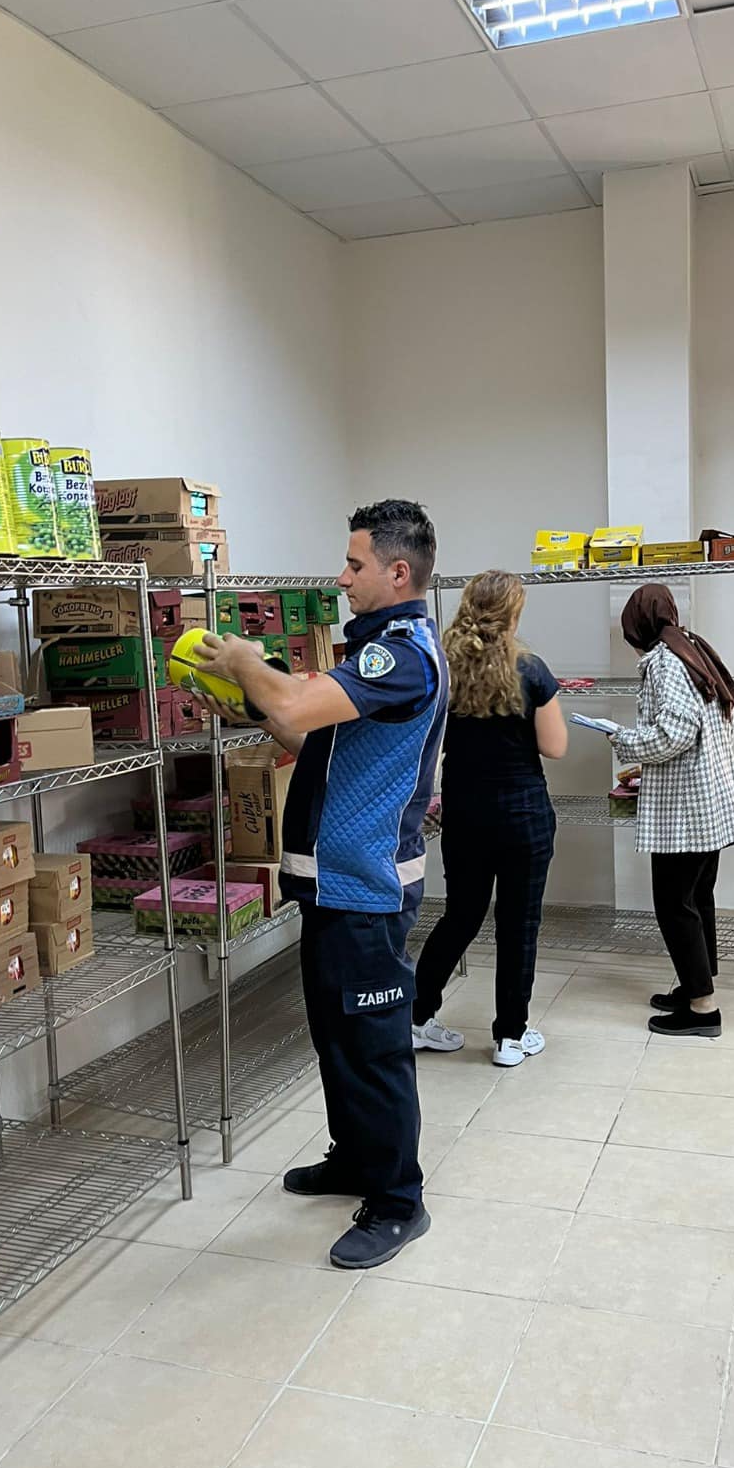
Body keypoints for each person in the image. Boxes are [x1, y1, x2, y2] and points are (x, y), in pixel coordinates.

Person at [192, 500, 447, 1270]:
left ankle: (398, 1200)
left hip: (367, 890)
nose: (342, 578)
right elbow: (310, 737)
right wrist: (248, 705)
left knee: (374, 1051)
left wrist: (246, 660)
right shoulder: (373, 654)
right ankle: (355, 1159)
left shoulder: (402, 655)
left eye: (355, 564)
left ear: (397, 573)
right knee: (337, 1038)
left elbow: (298, 701)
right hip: (331, 886)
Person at [411, 571, 568, 1067]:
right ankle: (510, 1038)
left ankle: (417, 1017)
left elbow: (429, 741)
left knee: (460, 916)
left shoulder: (443, 667)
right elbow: (555, 746)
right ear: (513, 613)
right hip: (523, 816)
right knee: (519, 925)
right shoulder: (532, 670)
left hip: (465, 814)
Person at [607, 583, 734, 1039]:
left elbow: (676, 734)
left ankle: (703, 1009)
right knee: (696, 898)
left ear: (637, 626)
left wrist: (623, 739)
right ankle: (695, 987)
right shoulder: (691, 649)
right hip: (710, 798)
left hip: (687, 808)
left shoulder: (666, 662)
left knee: (673, 904)